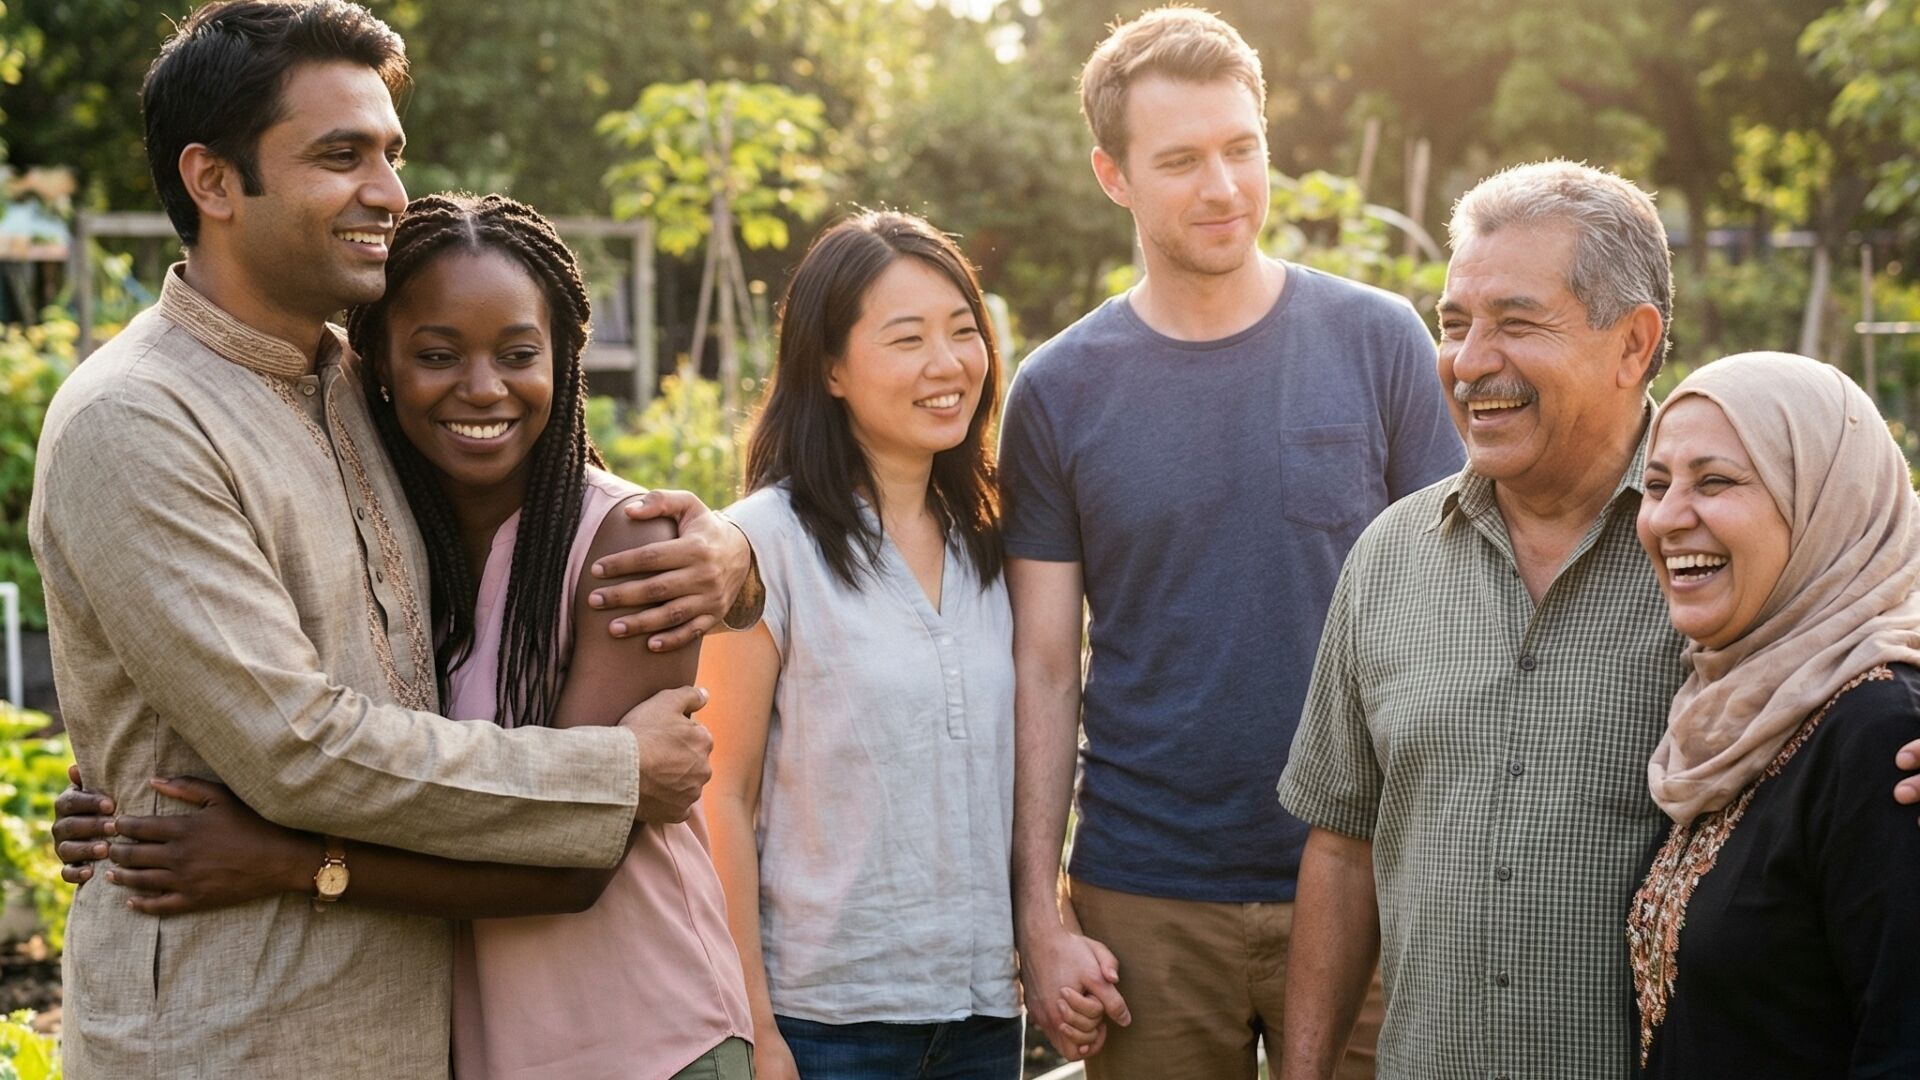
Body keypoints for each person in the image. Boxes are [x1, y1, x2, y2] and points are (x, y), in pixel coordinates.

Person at [28, 4, 753, 1074]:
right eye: (339, 155)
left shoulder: (356, 389)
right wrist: (609, 775)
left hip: (426, 1033)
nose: (386, 192)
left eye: (389, 153)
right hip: (228, 1037)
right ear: (214, 182)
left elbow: (565, 489)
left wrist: (737, 560)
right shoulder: (137, 422)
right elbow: (296, 748)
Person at [1275, 162, 1920, 1080]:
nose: (1469, 360)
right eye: (1455, 324)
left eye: (1516, 320)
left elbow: (1864, 631)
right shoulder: (1388, 559)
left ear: (1632, 344)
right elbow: (1341, 847)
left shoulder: (1732, 567)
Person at [998, 8, 1464, 1077]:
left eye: (1240, 149)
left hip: (1369, 874)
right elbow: (1042, 664)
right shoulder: (1059, 391)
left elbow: (1457, 603)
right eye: (1181, 161)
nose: (1222, 186)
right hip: (1147, 890)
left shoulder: (1378, 340)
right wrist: (1041, 913)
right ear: (1113, 176)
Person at [698, 211, 1022, 1080]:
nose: (947, 364)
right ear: (831, 368)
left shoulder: (994, 543)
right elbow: (717, 796)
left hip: (983, 1015)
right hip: (826, 1025)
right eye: (906, 339)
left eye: (963, 331)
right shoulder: (764, 545)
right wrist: (756, 1029)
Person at [1627, 351, 1920, 1076]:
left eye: (1716, 481)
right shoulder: (1724, 711)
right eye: (1656, 484)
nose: (1667, 517)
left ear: (1828, 501)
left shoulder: (1883, 733)